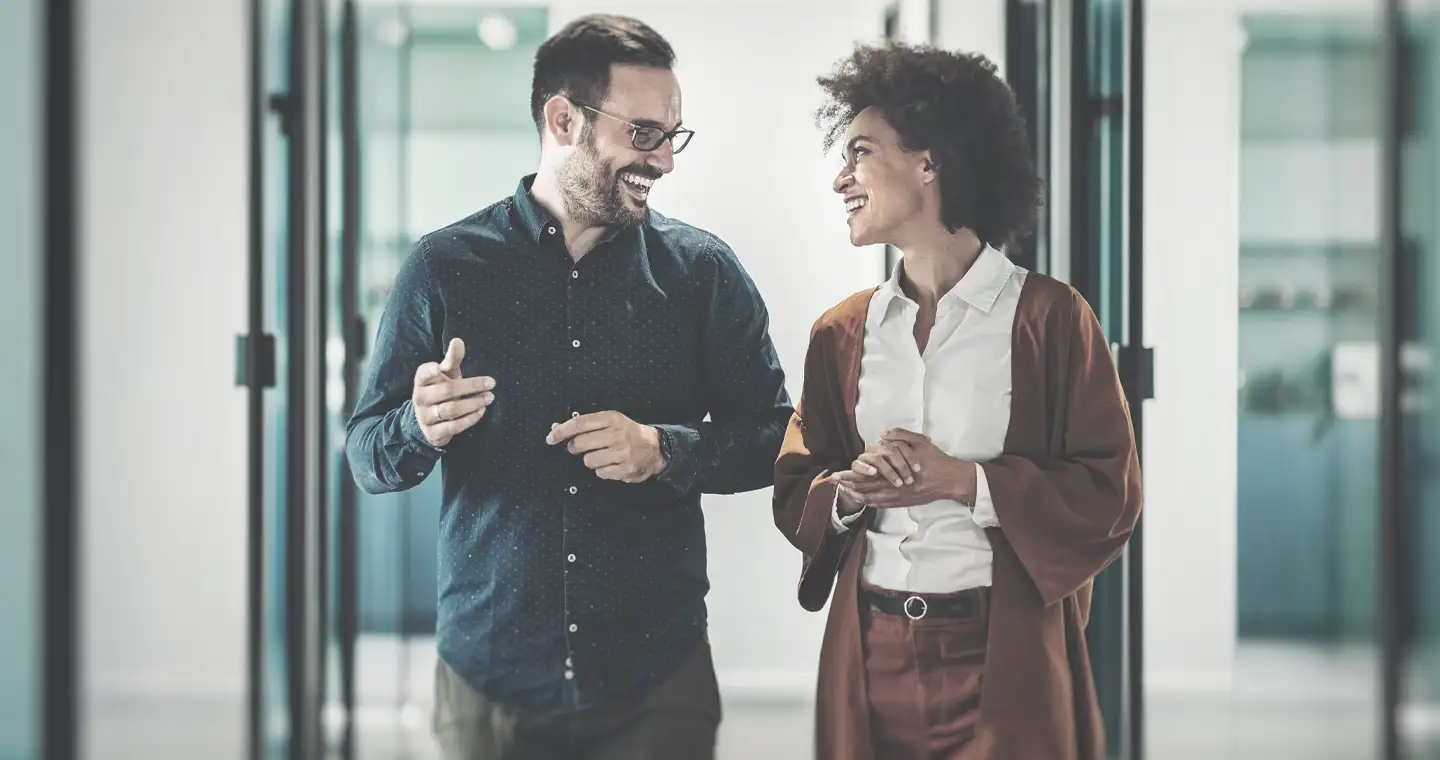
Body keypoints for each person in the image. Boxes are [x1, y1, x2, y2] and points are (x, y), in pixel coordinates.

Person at [346, 14, 792, 760]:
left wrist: (665, 449)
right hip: (488, 683)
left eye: (672, 136)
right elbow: (366, 454)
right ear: (563, 119)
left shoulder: (703, 275)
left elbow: (780, 438)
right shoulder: (445, 268)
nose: (665, 161)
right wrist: (415, 427)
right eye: (644, 134)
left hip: (658, 680)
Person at [773, 42, 1143, 760]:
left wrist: (963, 481)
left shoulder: (1051, 319)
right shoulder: (841, 333)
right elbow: (796, 485)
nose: (841, 180)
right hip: (869, 653)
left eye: (860, 152)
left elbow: (1110, 492)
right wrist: (848, 493)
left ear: (930, 161)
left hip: (1002, 658)